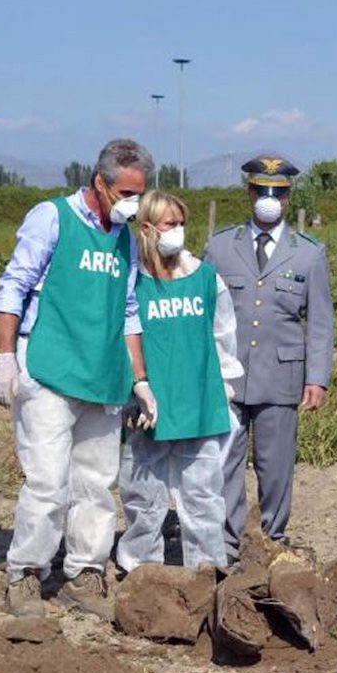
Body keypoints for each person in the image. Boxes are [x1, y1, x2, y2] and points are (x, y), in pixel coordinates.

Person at [0, 138, 154, 620]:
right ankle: (25, 573)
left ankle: (85, 572)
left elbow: (127, 311)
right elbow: (14, 283)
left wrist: (139, 380)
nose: (133, 202)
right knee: (47, 481)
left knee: (97, 483)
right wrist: (5, 356)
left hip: (101, 376)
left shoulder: (126, 238)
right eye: (125, 192)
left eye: (140, 193)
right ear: (99, 183)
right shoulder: (52, 218)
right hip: (49, 366)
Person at [202, 155, 334, 560]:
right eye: (262, 191)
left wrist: (317, 378)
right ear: (249, 192)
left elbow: (320, 322)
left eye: (277, 193)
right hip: (228, 373)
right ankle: (227, 540)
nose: (269, 199)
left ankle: (272, 537)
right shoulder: (220, 246)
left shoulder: (308, 253)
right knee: (224, 461)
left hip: (281, 375)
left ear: (289, 199)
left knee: (275, 465)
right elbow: (203, 310)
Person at [117, 191, 243, 571]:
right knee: (143, 493)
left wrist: (224, 383)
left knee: (203, 493)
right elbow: (121, 337)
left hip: (198, 401)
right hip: (149, 405)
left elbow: (223, 334)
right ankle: (142, 569)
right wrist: (131, 390)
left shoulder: (205, 278)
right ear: (147, 229)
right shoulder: (131, 282)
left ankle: (206, 570)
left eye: (181, 223)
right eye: (170, 224)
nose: (178, 232)